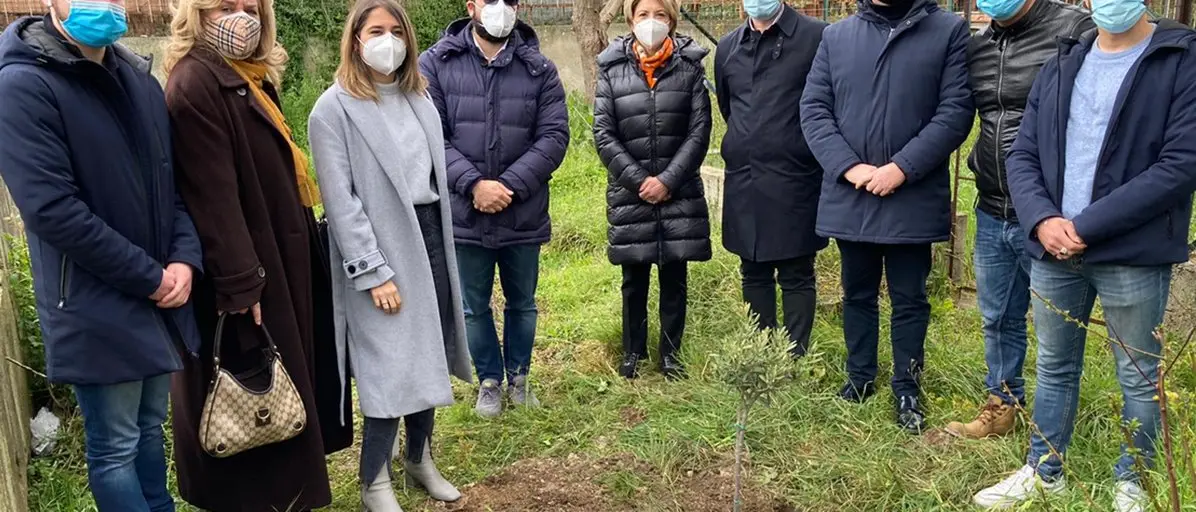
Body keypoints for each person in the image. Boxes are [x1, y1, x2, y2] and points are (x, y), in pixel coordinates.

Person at [972, 1, 1196, 509]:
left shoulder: (1179, 58)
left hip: (1131, 251)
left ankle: (1134, 481)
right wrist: (1042, 220)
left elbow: (1181, 163)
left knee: (1137, 372)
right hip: (1054, 247)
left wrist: (1086, 226)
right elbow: (1023, 151)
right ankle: (1043, 469)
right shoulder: (1066, 58)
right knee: (1053, 365)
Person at [0, 3, 201, 510]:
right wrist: (150, 277)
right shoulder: (23, 87)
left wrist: (182, 259)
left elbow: (172, 188)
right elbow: (53, 211)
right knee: (114, 447)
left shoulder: (140, 81)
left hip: (157, 290)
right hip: (93, 299)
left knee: (150, 428)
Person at [162, 0, 335, 509]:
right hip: (246, 276)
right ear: (196, 12)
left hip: (277, 258)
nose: (242, 15)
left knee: (282, 386)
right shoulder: (195, 83)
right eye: (224, 5)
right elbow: (210, 194)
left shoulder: (248, 76)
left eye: (250, 5)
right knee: (252, 391)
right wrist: (240, 283)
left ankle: (289, 498)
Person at [307, 0, 474, 509]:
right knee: (387, 369)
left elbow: (431, 183)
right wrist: (371, 271)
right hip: (380, 248)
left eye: (396, 30)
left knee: (429, 357)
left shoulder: (420, 99)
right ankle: (373, 480)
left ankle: (419, 457)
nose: (387, 40)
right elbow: (341, 201)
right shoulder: (331, 110)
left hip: (429, 239)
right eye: (375, 30)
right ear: (355, 39)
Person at [800, 0, 973, 433]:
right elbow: (815, 110)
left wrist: (901, 168)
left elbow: (954, 113)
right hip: (853, 192)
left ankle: (907, 387)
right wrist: (849, 167)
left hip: (910, 194)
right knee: (856, 292)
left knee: (909, 298)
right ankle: (859, 378)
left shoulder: (948, 31)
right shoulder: (837, 36)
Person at [947, 0, 1093, 440]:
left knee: (1056, 330)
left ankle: (1052, 426)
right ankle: (1002, 403)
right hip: (992, 204)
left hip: (1049, 212)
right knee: (997, 316)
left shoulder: (1075, 31)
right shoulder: (980, 45)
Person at [419, 0, 569, 418]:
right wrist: (473, 185)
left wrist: (509, 186)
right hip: (465, 212)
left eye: (510, 1)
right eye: (490, 1)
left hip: (523, 211)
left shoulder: (539, 68)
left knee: (523, 302)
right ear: (471, 6)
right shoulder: (436, 64)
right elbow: (430, 135)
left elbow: (554, 136)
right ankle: (489, 380)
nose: (500, 8)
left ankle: (520, 377)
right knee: (473, 304)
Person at [593, 0, 712, 380]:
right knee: (634, 278)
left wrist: (668, 180)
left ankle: (671, 354)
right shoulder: (610, 69)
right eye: (643, 14)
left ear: (672, 20)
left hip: (679, 191)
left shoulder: (690, 67)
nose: (651, 22)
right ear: (630, 19)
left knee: (675, 274)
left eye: (660, 15)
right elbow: (603, 133)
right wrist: (639, 180)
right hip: (631, 193)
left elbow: (699, 131)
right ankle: (633, 351)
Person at [713, 0, 828, 358]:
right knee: (753, 268)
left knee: (797, 271)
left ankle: (794, 356)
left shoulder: (816, 38)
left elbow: (826, 103)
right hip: (745, 177)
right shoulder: (728, 47)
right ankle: (762, 353)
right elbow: (728, 107)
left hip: (796, 176)